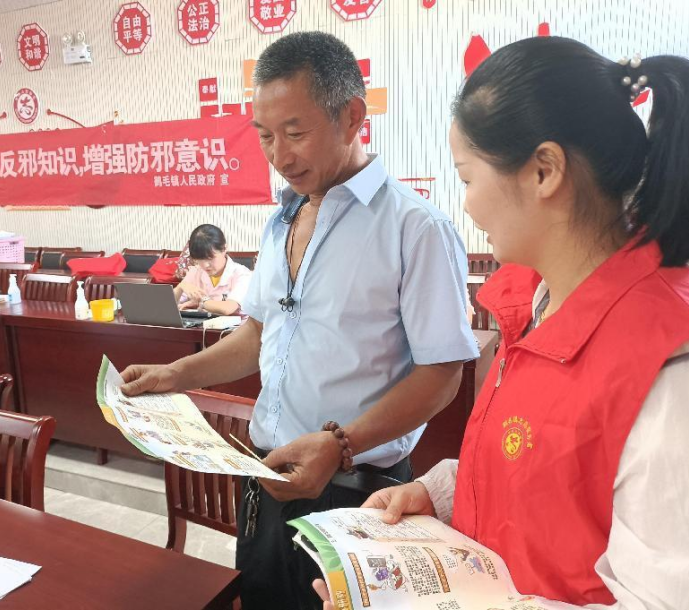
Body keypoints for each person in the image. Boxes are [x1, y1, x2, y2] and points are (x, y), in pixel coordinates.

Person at [314, 36, 689, 609]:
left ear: (544, 171)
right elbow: (543, 468)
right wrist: (440, 492)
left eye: (467, 178)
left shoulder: (667, 370)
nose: (466, 204)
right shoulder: (539, 305)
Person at [121, 32, 478, 608]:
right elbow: (258, 333)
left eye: (295, 132)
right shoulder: (280, 222)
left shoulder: (415, 228)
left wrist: (341, 445)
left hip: (359, 491)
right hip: (267, 475)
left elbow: (443, 373)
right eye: (265, 135)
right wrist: (175, 374)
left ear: (352, 116)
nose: (279, 156)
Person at [173, 224, 252, 316]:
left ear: (224, 249)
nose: (206, 265)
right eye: (200, 259)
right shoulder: (196, 271)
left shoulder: (242, 274)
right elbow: (167, 305)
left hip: (235, 325)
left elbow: (228, 308)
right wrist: (181, 287)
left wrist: (201, 302)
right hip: (202, 324)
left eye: (210, 258)